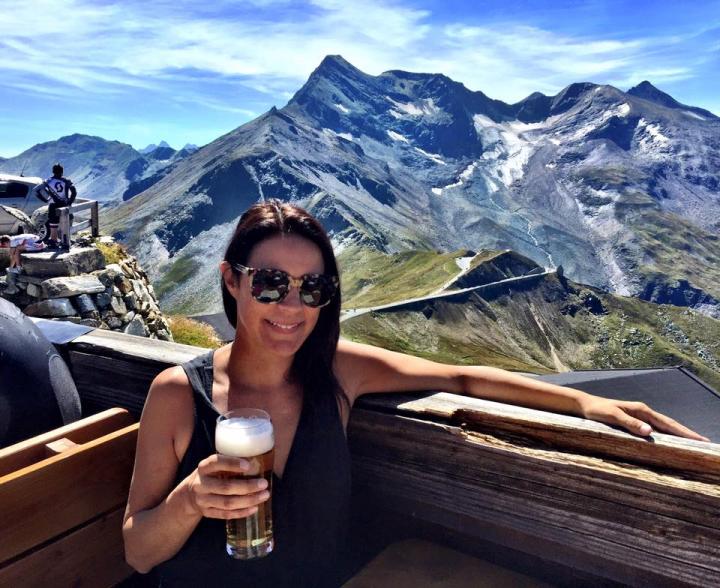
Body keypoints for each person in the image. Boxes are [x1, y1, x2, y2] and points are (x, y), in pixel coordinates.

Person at [122, 200, 709, 588]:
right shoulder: (178, 394)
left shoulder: (337, 371)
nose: (293, 306)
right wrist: (190, 499)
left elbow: (460, 378)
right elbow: (138, 552)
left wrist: (584, 403)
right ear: (231, 280)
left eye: (313, 287)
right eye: (271, 284)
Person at [33, 162, 76, 249]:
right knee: (66, 222)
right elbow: (74, 192)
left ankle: (53, 241)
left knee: (53, 223)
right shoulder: (66, 181)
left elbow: (35, 190)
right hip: (64, 204)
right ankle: (65, 241)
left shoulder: (48, 181)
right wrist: (70, 203)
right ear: (62, 172)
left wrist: (45, 200)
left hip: (53, 205)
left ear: (53, 171)